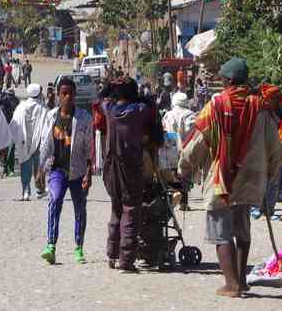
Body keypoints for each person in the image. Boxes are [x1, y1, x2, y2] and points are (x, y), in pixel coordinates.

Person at [179, 57, 282, 298]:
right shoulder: (261, 107)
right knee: (242, 229)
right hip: (251, 179)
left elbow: (198, 142)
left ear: (227, 80)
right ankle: (242, 281)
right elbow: (276, 149)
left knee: (221, 231)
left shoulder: (217, 106)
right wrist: (269, 174)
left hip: (222, 179)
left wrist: (184, 167)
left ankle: (231, 285)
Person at [99, 77, 155, 272]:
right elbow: (150, 103)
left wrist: (109, 87)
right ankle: (126, 259)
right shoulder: (138, 111)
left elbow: (101, 97)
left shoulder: (109, 109)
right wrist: (139, 94)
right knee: (130, 209)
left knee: (116, 208)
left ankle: (112, 254)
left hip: (110, 167)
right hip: (130, 167)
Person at [37, 78, 94, 265]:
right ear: (58, 95)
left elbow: (89, 148)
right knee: (54, 201)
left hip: (78, 172)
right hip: (57, 170)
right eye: (64, 93)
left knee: (80, 208)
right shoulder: (51, 117)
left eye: (71, 93)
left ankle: (79, 247)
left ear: (75, 95)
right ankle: (51, 246)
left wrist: (88, 173)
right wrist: (40, 169)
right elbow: (45, 144)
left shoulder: (84, 118)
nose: (67, 97)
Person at [11, 83, 47, 201]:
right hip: (38, 142)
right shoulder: (43, 108)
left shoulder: (21, 107)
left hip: (24, 142)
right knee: (39, 166)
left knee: (25, 166)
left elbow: (14, 124)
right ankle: (40, 190)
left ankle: (26, 191)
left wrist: (13, 139)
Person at [162, 91, 196, 210]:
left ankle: (172, 198)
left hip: (170, 146)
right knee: (185, 174)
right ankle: (184, 202)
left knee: (173, 173)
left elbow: (165, 131)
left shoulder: (168, 115)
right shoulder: (190, 114)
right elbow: (192, 132)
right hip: (185, 147)